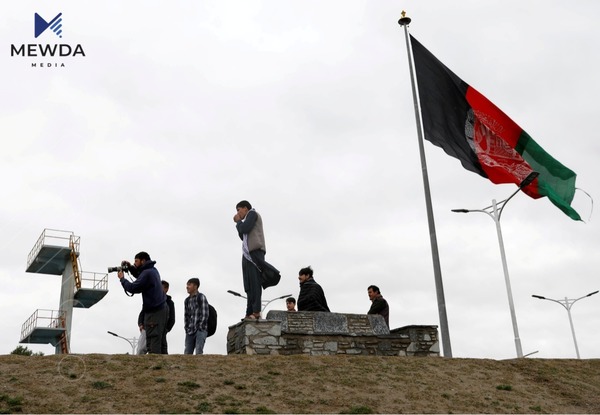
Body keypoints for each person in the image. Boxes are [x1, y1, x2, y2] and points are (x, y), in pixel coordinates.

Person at [118, 252, 167, 354]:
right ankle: (160, 366)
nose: (134, 263)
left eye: (136, 261)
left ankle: (155, 366)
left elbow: (133, 287)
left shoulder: (147, 273)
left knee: (153, 343)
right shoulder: (152, 270)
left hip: (154, 312)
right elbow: (140, 276)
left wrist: (122, 279)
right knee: (159, 341)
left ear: (143, 261)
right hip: (160, 309)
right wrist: (131, 267)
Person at [233, 200, 267, 320]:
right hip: (247, 253)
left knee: (254, 281)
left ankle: (256, 311)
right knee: (248, 284)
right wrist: (239, 224)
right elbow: (243, 236)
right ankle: (249, 311)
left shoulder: (252, 214)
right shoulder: (247, 218)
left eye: (239, 210)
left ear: (245, 208)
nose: (238, 213)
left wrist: (238, 222)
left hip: (255, 252)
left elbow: (244, 229)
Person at [137, 280, 175, 354]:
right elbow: (143, 312)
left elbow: (172, 319)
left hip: (161, 329)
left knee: (159, 349)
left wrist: (166, 329)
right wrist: (140, 324)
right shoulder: (150, 299)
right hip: (147, 327)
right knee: (141, 349)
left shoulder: (169, 303)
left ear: (166, 289)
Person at [183, 278, 209, 354]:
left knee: (198, 352)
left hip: (200, 330)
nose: (187, 287)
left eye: (189, 284)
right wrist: (187, 328)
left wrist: (200, 327)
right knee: (187, 353)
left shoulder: (201, 297)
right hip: (190, 331)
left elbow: (205, 314)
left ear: (195, 286)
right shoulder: (187, 300)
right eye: (187, 284)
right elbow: (186, 316)